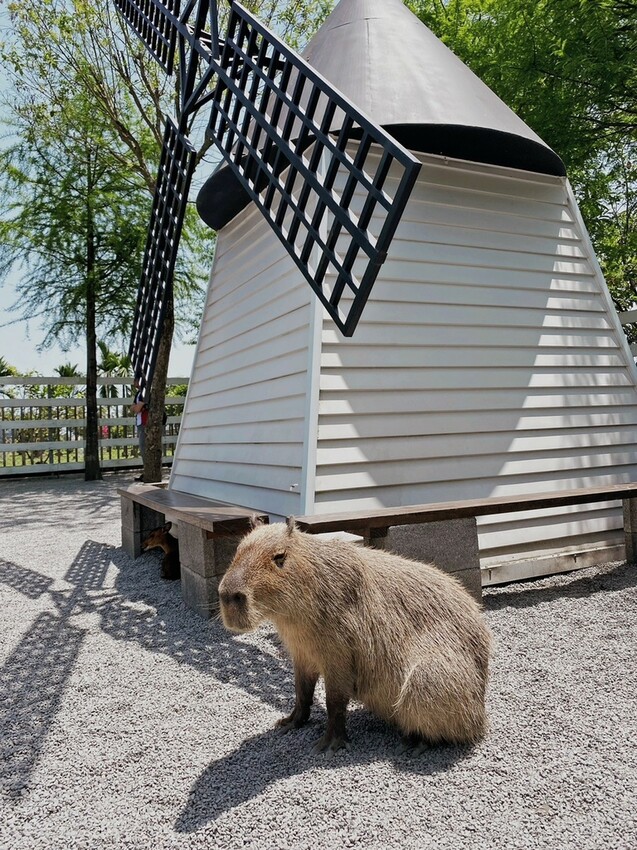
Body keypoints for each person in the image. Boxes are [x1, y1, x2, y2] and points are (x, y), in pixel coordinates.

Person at [130, 376, 148, 482]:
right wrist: (136, 407)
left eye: (135, 380)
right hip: (140, 423)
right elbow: (132, 408)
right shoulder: (138, 393)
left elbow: (136, 409)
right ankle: (146, 471)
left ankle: (147, 472)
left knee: (144, 448)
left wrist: (137, 407)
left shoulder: (144, 392)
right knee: (142, 448)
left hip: (145, 423)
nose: (133, 382)